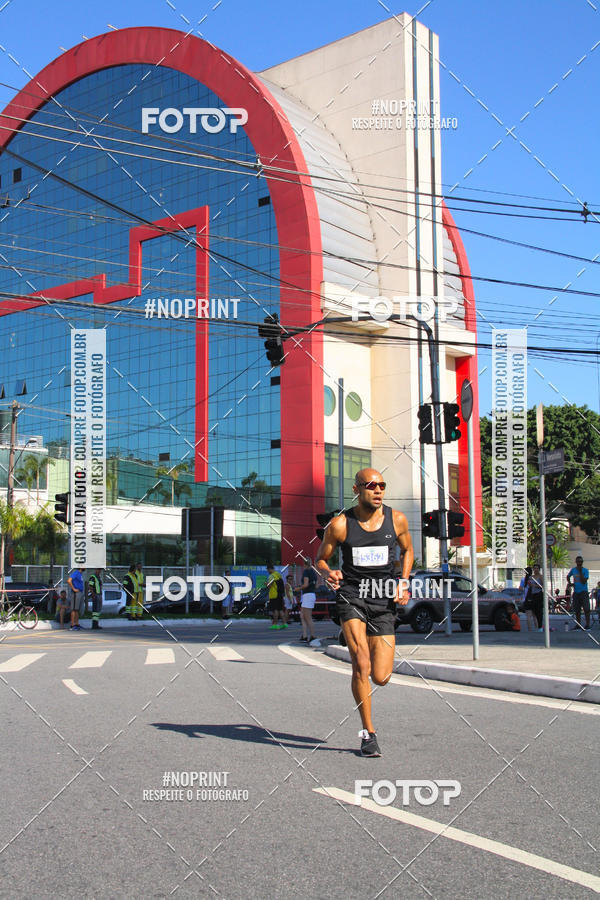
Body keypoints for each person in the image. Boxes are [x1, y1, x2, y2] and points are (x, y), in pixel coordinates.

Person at [316, 468, 414, 757]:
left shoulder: (396, 519)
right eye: (371, 485)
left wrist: (404, 581)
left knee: (381, 676)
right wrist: (327, 573)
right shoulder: (340, 524)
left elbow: (408, 551)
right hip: (352, 596)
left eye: (382, 485)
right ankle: (368, 734)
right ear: (357, 489)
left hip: (383, 600)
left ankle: (363, 642)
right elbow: (320, 559)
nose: (378, 490)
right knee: (361, 663)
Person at [567, 555, 591, 629]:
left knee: (586, 609)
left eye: (581, 562)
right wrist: (570, 583)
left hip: (583, 592)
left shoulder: (585, 570)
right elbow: (568, 576)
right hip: (576, 592)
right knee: (577, 610)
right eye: (578, 562)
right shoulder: (573, 570)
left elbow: (584, 581)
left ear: (582, 562)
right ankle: (578, 624)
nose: (579, 563)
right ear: (576, 562)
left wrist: (580, 572)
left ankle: (587, 624)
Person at [297, 557, 317, 643]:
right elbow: (316, 586)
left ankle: (313, 635)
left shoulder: (306, 572)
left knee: (307, 617)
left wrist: (298, 588)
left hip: (307, 595)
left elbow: (305, 584)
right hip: (311, 594)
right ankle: (305, 635)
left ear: (304, 564)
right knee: (303, 616)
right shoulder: (314, 572)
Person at [266, 563, 285, 629]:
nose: (267, 571)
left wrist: (266, 584)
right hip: (280, 594)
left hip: (274, 595)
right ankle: (284, 623)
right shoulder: (278, 574)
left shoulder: (271, 576)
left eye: (268, 570)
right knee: (280, 610)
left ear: (270, 569)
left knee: (275, 610)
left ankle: (275, 624)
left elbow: (269, 586)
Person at [519, 567, 536, 632]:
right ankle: (537, 629)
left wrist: (525, 589)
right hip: (534, 598)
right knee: (535, 616)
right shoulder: (534, 579)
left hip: (526, 599)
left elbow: (520, 588)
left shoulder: (523, 579)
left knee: (528, 616)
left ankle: (530, 630)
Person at [529, 564, 544, 632]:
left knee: (539, 611)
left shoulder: (540, 576)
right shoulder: (531, 577)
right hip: (532, 595)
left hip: (539, 594)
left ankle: (540, 626)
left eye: (537, 568)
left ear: (539, 569)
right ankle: (537, 625)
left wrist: (535, 585)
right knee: (534, 611)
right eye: (534, 568)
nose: (535, 570)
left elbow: (543, 586)